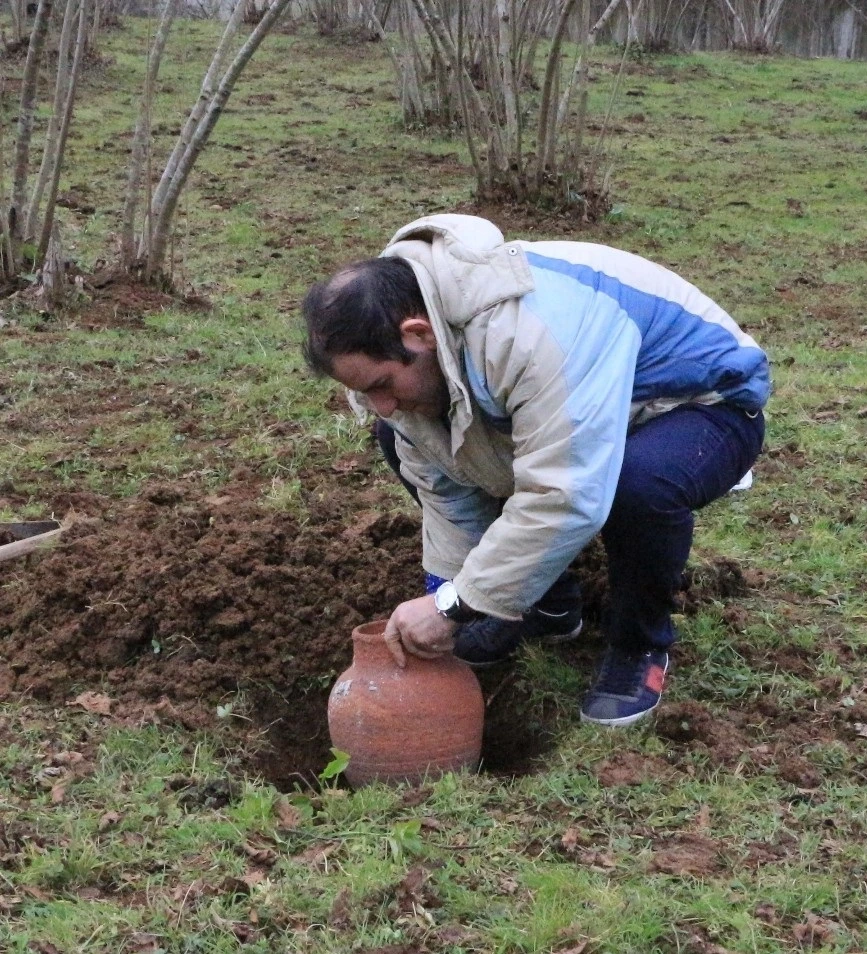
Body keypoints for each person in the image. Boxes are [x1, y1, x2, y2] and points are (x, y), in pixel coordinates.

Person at [302, 214, 769, 727]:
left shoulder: (529, 333)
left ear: (418, 335)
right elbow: (447, 490)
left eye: (382, 384)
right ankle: (546, 607)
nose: (380, 402)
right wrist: (452, 596)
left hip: (703, 406)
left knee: (635, 484)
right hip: (587, 411)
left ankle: (639, 646)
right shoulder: (402, 349)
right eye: (365, 391)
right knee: (398, 435)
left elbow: (564, 493)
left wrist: (452, 608)